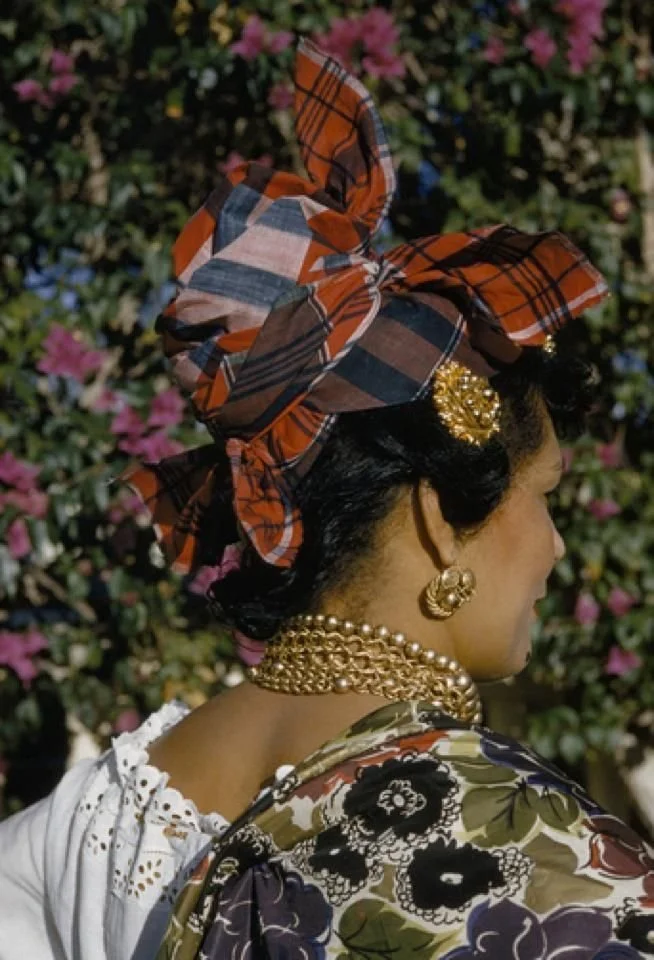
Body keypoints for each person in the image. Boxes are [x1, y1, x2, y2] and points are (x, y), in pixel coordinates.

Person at [1, 37, 653, 960]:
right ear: (440, 521)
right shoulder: (528, 850)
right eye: (544, 498)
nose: (553, 548)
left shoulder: (79, 825)